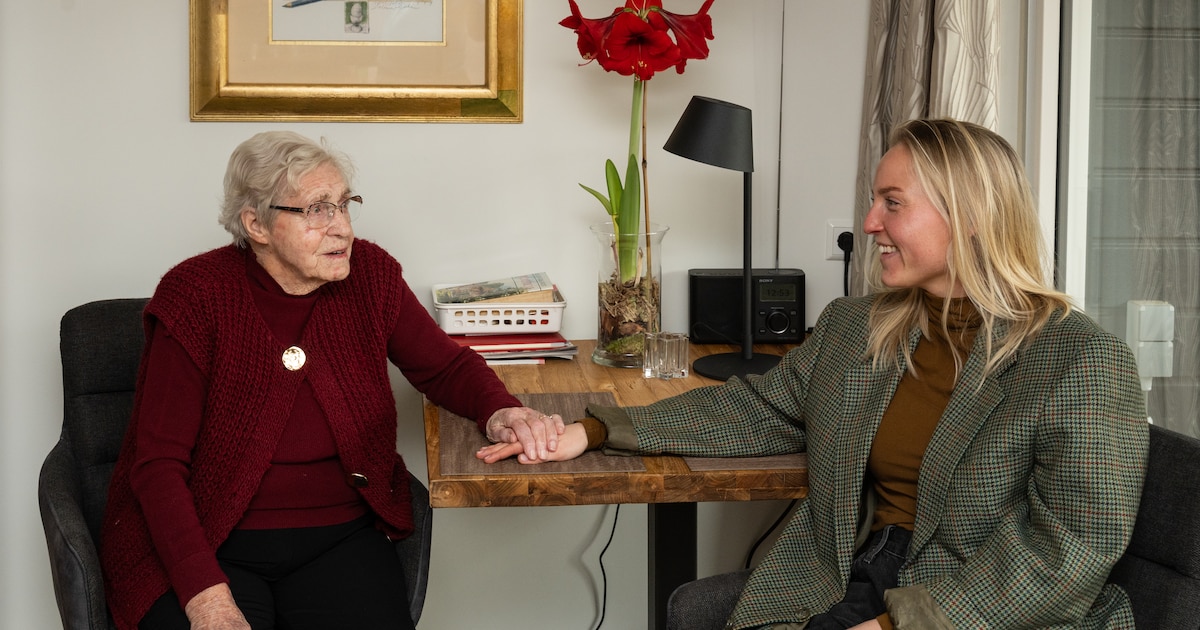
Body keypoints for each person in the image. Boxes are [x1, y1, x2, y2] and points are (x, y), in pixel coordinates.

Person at [479, 119, 1149, 629]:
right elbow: (758, 408)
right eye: (873, 202)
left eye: (893, 203)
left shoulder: (1080, 362)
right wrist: (595, 431)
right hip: (853, 573)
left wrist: (901, 624)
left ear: (971, 216)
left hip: (973, 604)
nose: (869, 223)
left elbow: (1070, 547)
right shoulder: (859, 327)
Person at [100, 130, 564, 630]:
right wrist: (206, 599)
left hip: (338, 537)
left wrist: (501, 410)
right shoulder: (196, 297)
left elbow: (445, 366)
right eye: (316, 210)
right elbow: (157, 465)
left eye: (344, 205)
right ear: (256, 223)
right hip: (212, 543)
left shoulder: (371, 275)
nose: (341, 227)